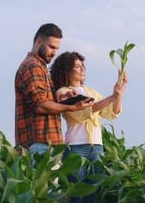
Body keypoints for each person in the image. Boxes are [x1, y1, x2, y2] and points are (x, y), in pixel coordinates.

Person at [50, 51, 128, 203]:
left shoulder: (92, 92)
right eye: (77, 66)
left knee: (92, 196)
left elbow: (111, 112)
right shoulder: (63, 92)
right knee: (76, 195)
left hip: (97, 148)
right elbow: (80, 112)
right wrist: (111, 97)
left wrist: (119, 92)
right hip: (76, 148)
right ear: (66, 71)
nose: (82, 69)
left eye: (82, 66)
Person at [14, 23, 93, 156]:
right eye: (51, 47)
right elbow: (40, 106)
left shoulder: (41, 68)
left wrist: (64, 98)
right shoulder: (32, 67)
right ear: (39, 42)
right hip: (39, 144)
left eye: (57, 48)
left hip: (47, 143)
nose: (54, 53)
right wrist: (70, 108)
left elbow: (45, 100)